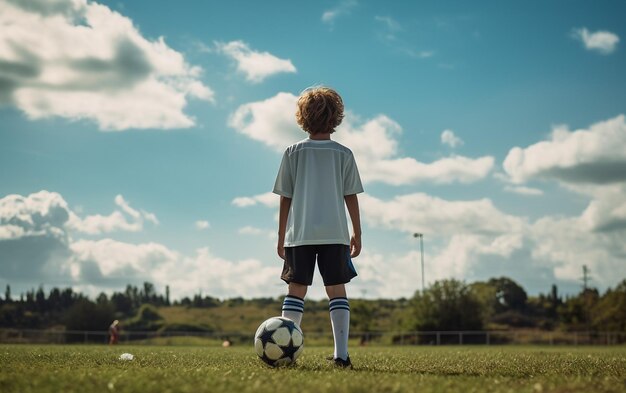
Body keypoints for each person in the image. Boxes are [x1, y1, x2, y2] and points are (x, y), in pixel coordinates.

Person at [273, 86, 363, 369]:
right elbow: (351, 195)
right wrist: (357, 232)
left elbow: (285, 197)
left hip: (299, 234)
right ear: (336, 117)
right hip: (335, 234)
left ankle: (284, 353)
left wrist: (280, 236)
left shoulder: (293, 152)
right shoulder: (344, 153)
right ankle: (342, 356)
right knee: (336, 290)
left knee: (296, 289)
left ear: (302, 117)